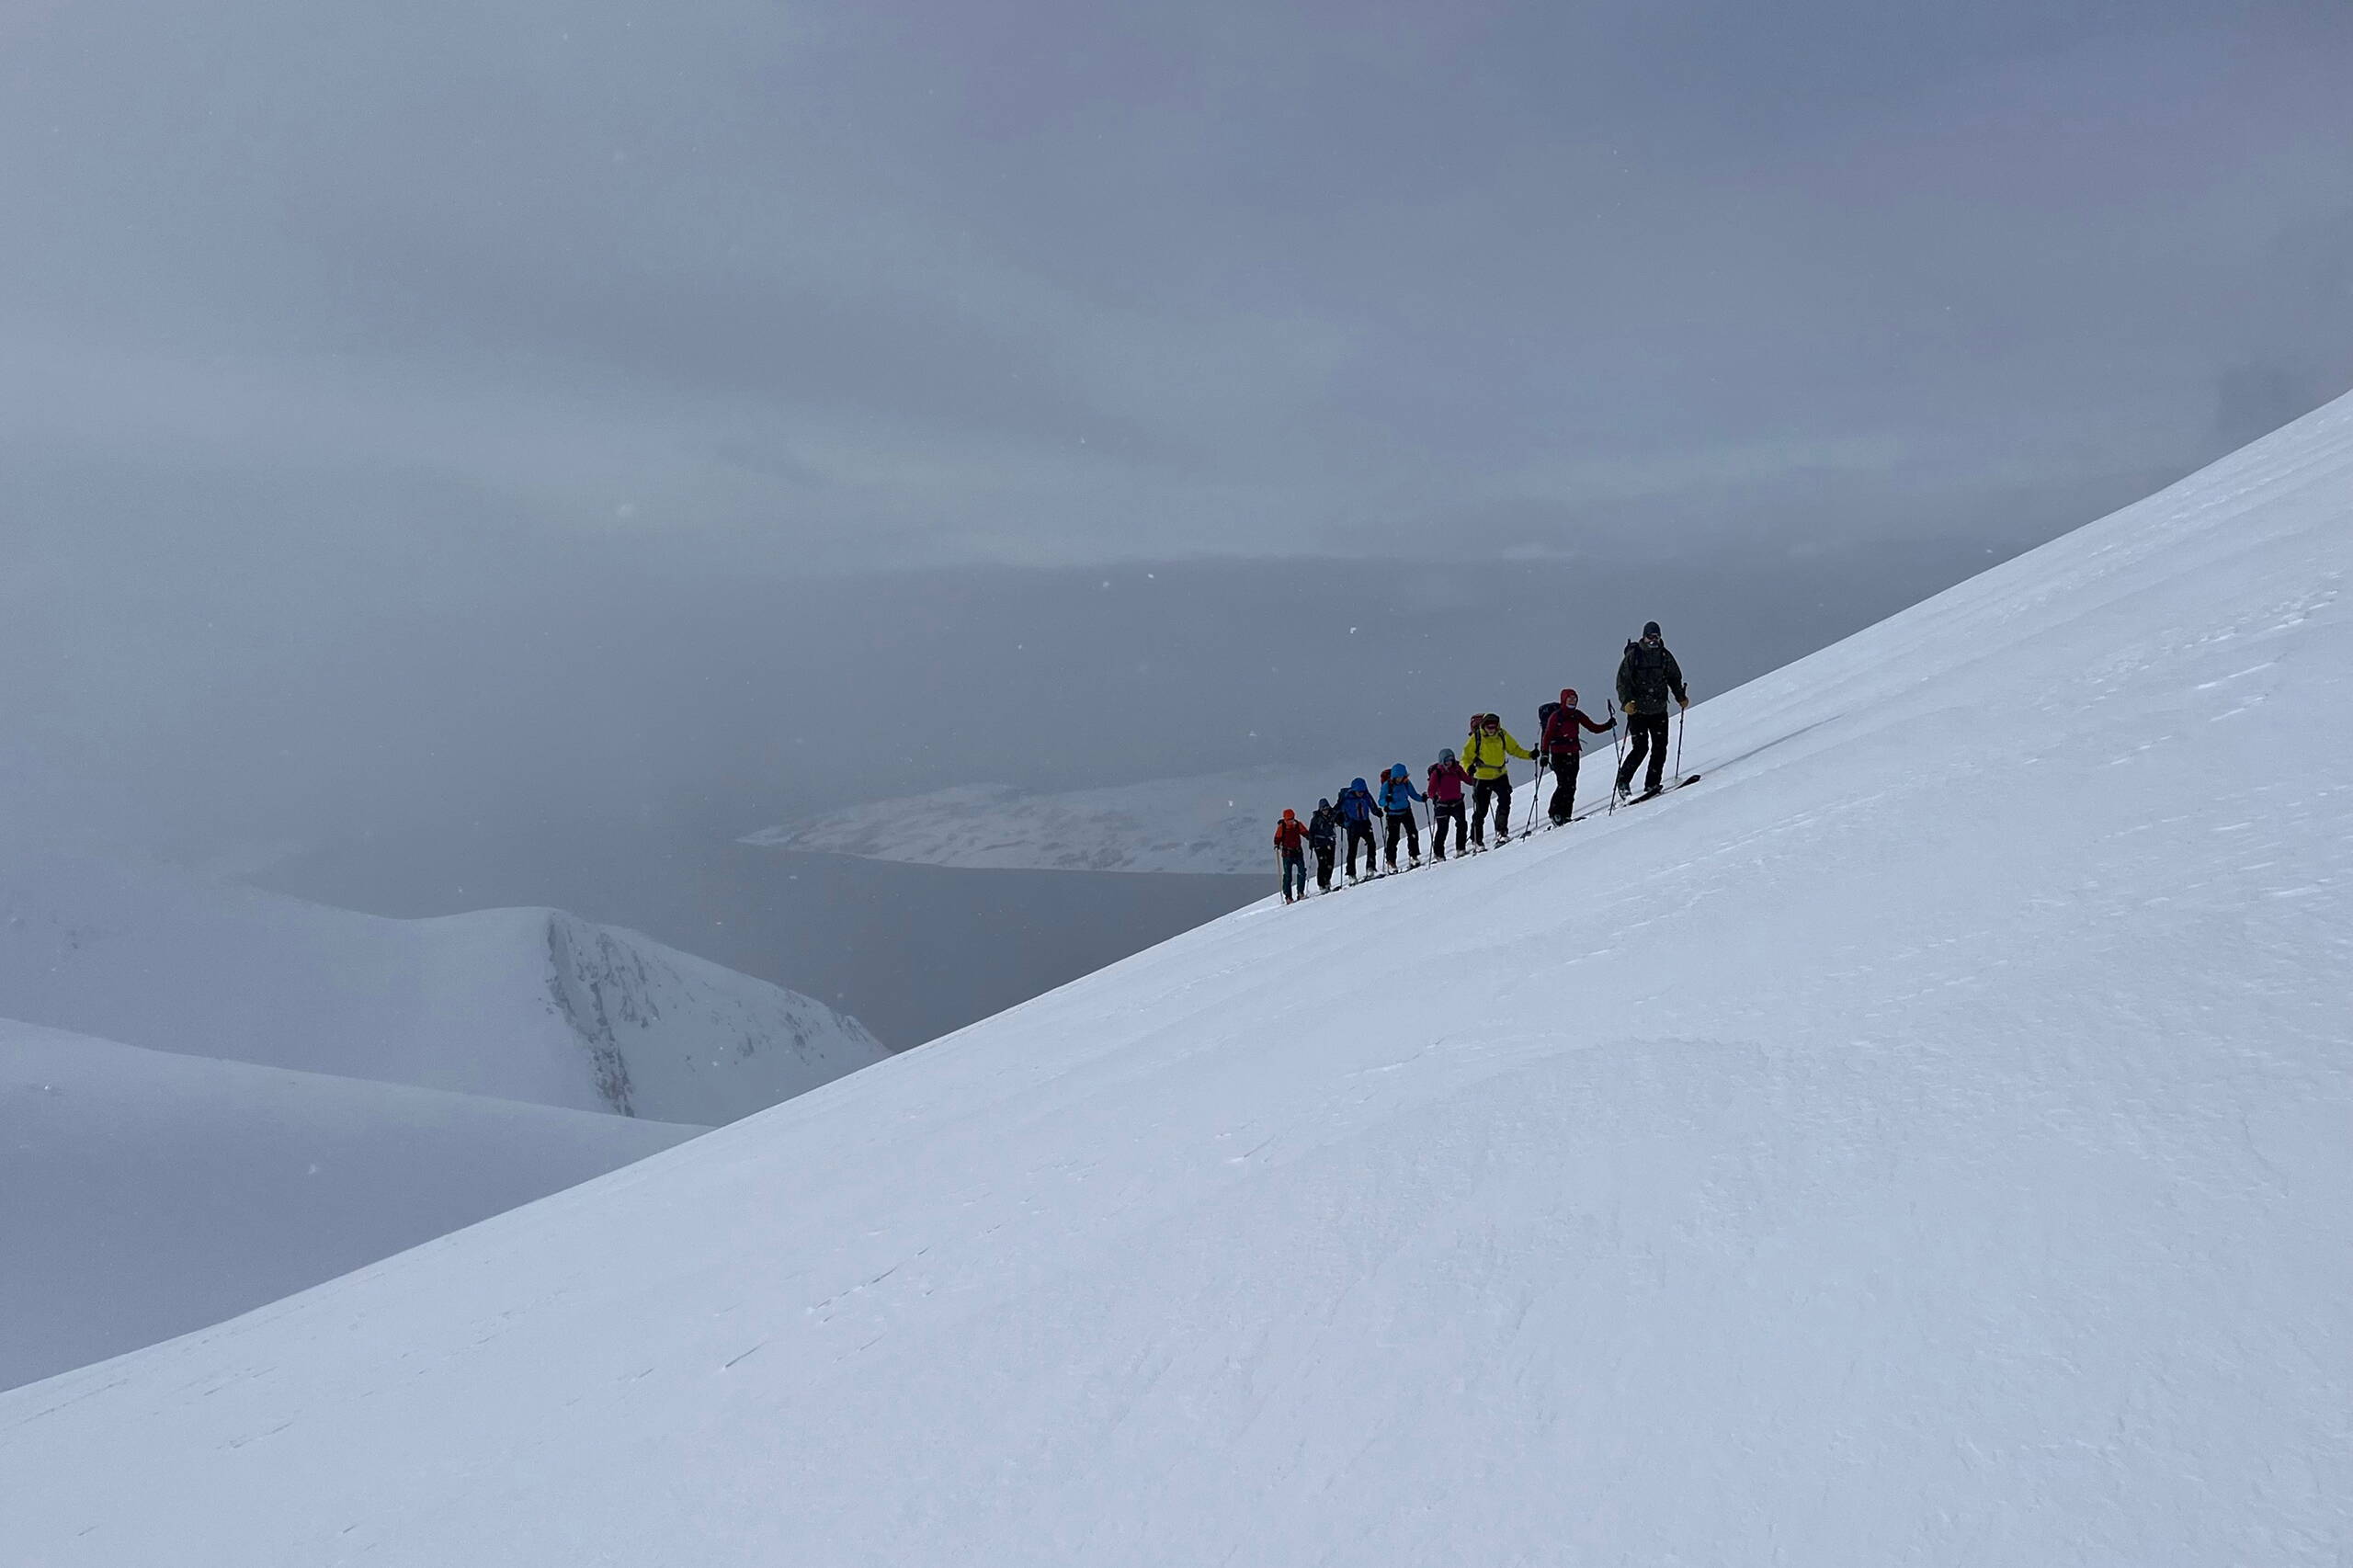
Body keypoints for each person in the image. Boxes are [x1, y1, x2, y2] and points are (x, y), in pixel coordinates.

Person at [1614, 620, 1690, 799]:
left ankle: (1652, 783)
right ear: (1644, 636)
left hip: (1659, 710)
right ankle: (1623, 782)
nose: (1653, 640)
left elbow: (1674, 677)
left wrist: (1680, 696)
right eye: (1650, 636)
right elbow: (1622, 682)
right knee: (1641, 748)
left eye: (1656, 636)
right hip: (1638, 711)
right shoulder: (1634, 656)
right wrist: (1626, 703)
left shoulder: (1664, 656)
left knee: (1660, 747)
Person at [1538, 687, 1616, 824]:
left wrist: (1608, 726)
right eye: (1570, 698)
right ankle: (1555, 813)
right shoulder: (1556, 717)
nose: (1573, 701)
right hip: (1559, 755)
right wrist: (1544, 754)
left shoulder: (1576, 715)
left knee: (1571, 785)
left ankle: (1566, 815)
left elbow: (1593, 728)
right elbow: (1547, 736)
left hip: (1573, 754)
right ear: (1564, 699)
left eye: (1574, 698)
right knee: (1563, 784)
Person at [1461, 712, 1532, 845]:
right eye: (1489, 726)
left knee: (1505, 801)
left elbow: (1515, 749)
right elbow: (1465, 758)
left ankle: (1502, 832)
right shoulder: (1477, 738)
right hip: (1482, 777)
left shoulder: (1502, 734)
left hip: (1500, 775)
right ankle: (1476, 839)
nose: (1492, 729)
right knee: (1482, 810)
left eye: (1494, 726)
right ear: (1484, 726)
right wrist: (1468, 767)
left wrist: (1530, 755)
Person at [1377, 763, 1424, 869]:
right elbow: (1380, 802)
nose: (1400, 779)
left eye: (1402, 777)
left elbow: (1413, 794)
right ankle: (1391, 861)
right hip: (1393, 814)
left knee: (1413, 833)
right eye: (1398, 777)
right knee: (1394, 838)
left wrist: (1422, 798)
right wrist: (1386, 800)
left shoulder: (1406, 783)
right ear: (1393, 776)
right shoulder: (1387, 785)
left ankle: (1414, 856)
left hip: (1406, 811)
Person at [1426, 748, 1469, 860]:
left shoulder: (1457, 769)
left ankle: (1461, 848)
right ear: (1442, 761)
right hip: (1442, 805)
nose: (1449, 762)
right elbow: (1431, 789)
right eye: (1446, 760)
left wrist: (1476, 779)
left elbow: (1467, 779)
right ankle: (1439, 854)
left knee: (1462, 825)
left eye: (1451, 759)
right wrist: (1433, 797)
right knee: (1443, 829)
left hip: (1457, 802)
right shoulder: (1437, 773)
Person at [1336, 776, 1381, 881]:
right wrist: (1340, 821)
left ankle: (1370, 867)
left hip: (1365, 823)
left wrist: (1377, 812)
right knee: (1353, 849)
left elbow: (1372, 806)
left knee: (1371, 844)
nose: (1361, 793)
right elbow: (1337, 811)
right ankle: (1351, 874)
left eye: (1362, 791)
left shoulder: (1366, 795)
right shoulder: (1346, 798)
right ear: (1354, 790)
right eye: (1359, 791)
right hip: (1353, 825)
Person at [1273, 809, 1310, 903]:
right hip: (1287, 854)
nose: (1291, 821)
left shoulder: (1297, 824)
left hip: (1297, 852)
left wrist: (1310, 838)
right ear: (1285, 819)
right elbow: (1277, 838)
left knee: (1302, 872)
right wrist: (1276, 845)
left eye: (1292, 818)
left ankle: (1300, 893)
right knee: (1288, 876)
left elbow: (1305, 832)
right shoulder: (1282, 827)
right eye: (1289, 819)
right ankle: (1288, 896)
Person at [1305, 797, 1340, 892]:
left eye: (1327, 808)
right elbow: (1311, 832)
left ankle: (1327, 880)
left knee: (1330, 863)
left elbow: (1339, 821)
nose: (1325, 811)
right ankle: (1321, 884)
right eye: (1323, 809)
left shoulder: (1332, 815)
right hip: (1319, 844)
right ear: (1320, 809)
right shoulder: (1316, 819)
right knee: (1322, 864)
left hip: (1330, 842)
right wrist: (1311, 843)